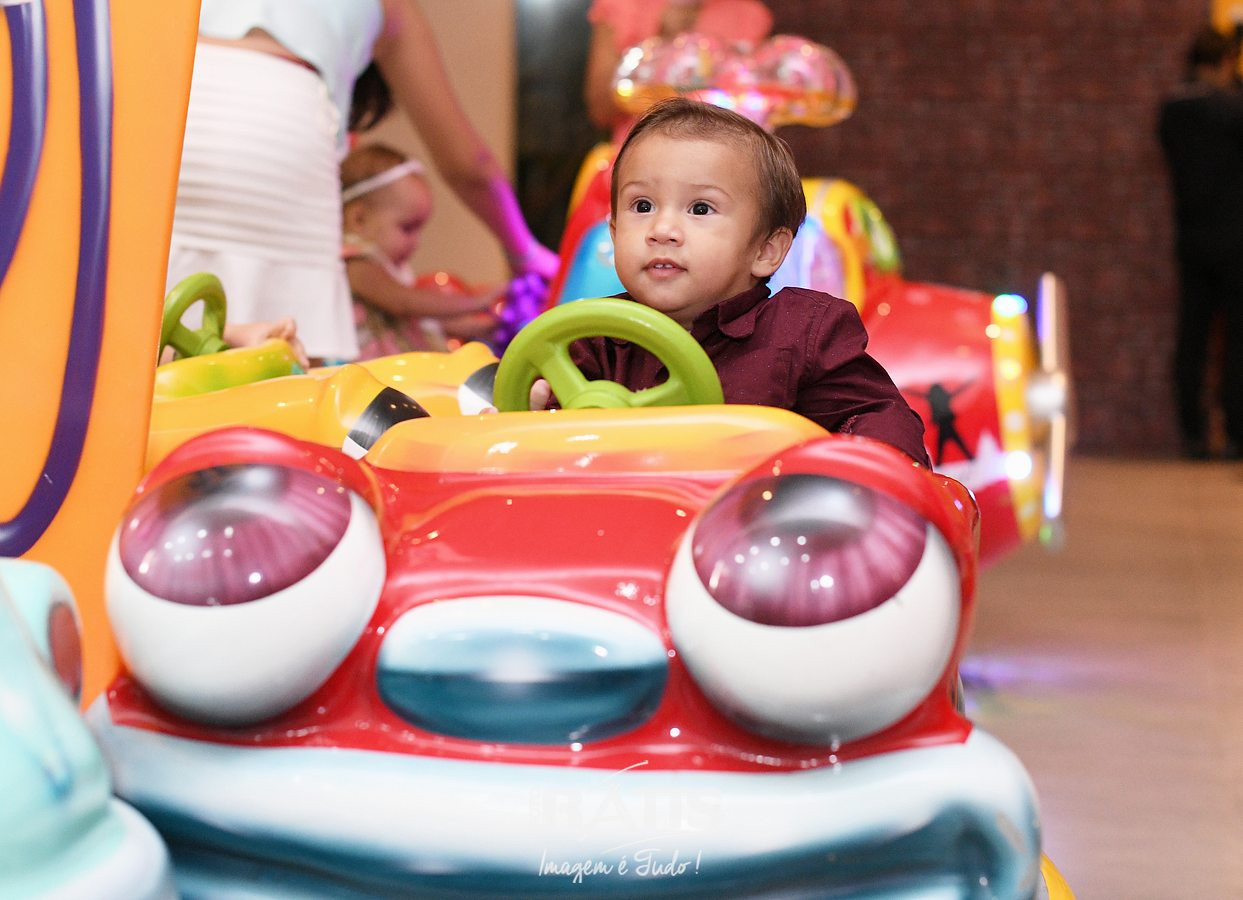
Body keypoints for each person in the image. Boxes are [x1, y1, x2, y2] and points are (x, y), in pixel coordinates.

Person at [538, 98, 930, 465]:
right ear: (614, 231)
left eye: (700, 208)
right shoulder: (591, 341)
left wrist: (868, 471)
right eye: (643, 206)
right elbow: (545, 450)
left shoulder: (804, 335)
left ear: (765, 250)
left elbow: (878, 417)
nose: (662, 230)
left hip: (756, 510)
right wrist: (541, 409)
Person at [165, 0, 558, 364]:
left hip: (172, 106)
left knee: (164, 336)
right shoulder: (391, 8)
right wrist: (523, 252)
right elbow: (470, 166)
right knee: (289, 362)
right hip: (282, 133)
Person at [1157, 24, 1243, 460]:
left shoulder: (1172, 111)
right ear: (1225, 62)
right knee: (1237, 340)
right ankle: (1235, 431)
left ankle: (1193, 432)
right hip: (1236, 239)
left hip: (1191, 238)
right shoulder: (1231, 111)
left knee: (1193, 335)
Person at [341, 143, 505, 358]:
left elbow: (417, 322)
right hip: (372, 371)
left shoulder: (390, 269)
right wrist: (478, 301)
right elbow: (405, 303)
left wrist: (478, 328)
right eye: (407, 228)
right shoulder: (356, 264)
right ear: (359, 219)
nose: (416, 242)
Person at [583, 0, 773, 139]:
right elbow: (601, 111)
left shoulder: (749, 14)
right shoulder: (623, 6)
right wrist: (662, 39)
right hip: (641, 156)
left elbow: (754, 113)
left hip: (721, 158)